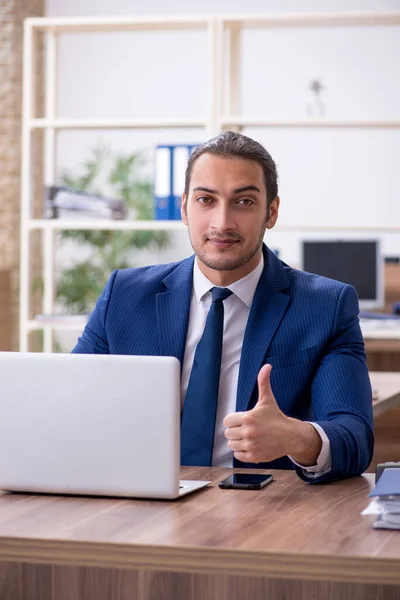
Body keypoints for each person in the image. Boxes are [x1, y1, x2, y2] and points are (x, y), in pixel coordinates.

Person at [72, 131, 374, 483]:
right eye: (206, 200)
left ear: (271, 212)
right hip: (141, 502)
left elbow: (354, 438)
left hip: (260, 516)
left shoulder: (326, 306)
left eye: (244, 202)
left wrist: (296, 437)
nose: (222, 223)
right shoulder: (124, 295)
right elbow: (71, 406)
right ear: (185, 208)